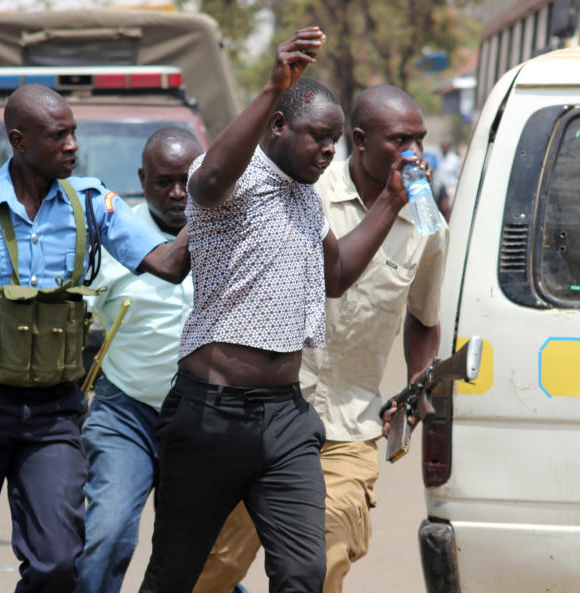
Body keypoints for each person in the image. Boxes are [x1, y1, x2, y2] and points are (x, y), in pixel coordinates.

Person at [137, 28, 416, 593]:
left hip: (286, 417)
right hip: (211, 414)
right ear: (279, 127)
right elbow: (212, 177)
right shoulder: (229, 185)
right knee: (176, 573)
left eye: (335, 141)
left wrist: (389, 202)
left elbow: (336, 278)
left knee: (304, 571)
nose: (328, 151)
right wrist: (271, 87)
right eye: (318, 137)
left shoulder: (306, 201)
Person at [0, 83, 190, 593]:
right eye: (59, 135)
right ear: (20, 140)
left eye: (74, 132)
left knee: (58, 562)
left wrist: (209, 199)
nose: (73, 144)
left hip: (55, 413)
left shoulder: (92, 204)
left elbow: (167, 265)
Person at [192, 84, 448, 593]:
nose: (413, 153)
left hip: (348, 429)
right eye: (400, 140)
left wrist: (419, 382)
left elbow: (424, 317)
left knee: (320, 568)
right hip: (265, 416)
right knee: (211, 568)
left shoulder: (427, 226)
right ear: (360, 140)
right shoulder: (304, 192)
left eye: (419, 139)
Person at [75, 126, 202, 593]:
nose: (175, 194)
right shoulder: (109, 237)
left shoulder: (234, 233)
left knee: (201, 554)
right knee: (106, 535)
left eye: (187, 181)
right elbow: (70, 327)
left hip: (203, 416)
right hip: (126, 412)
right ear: (141, 179)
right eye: (162, 181)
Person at [434, 138, 460, 220]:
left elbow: (458, 173)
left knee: (449, 208)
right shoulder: (438, 156)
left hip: (450, 187)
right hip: (440, 187)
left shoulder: (454, 158)